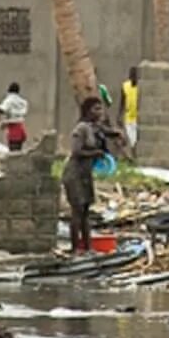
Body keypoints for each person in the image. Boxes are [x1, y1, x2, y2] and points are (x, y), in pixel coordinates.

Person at [63, 96, 121, 254]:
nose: (100, 112)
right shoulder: (81, 128)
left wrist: (118, 134)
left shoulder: (95, 127)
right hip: (74, 174)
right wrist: (96, 152)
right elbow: (76, 151)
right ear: (87, 111)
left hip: (85, 174)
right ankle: (75, 249)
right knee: (77, 211)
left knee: (86, 212)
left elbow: (108, 132)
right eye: (96, 109)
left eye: (101, 108)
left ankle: (88, 248)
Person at [0, 83, 30, 154]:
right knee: (18, 152)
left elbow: (1, 110)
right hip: (20, 129)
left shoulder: (9, 100)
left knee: (13, 154)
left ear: (9, 90)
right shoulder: (23, 102)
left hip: (13, 131)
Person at [119, 67, 140, 154]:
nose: (134, 78)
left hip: (137, 117)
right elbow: (122, 102)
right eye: (132, 76)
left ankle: (133, 156)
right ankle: (132, 157)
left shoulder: (140, 87)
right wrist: (119, 115)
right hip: (128, 117)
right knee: (131, 139)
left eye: (135, 76)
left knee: (134, 140)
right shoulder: (125, 86)